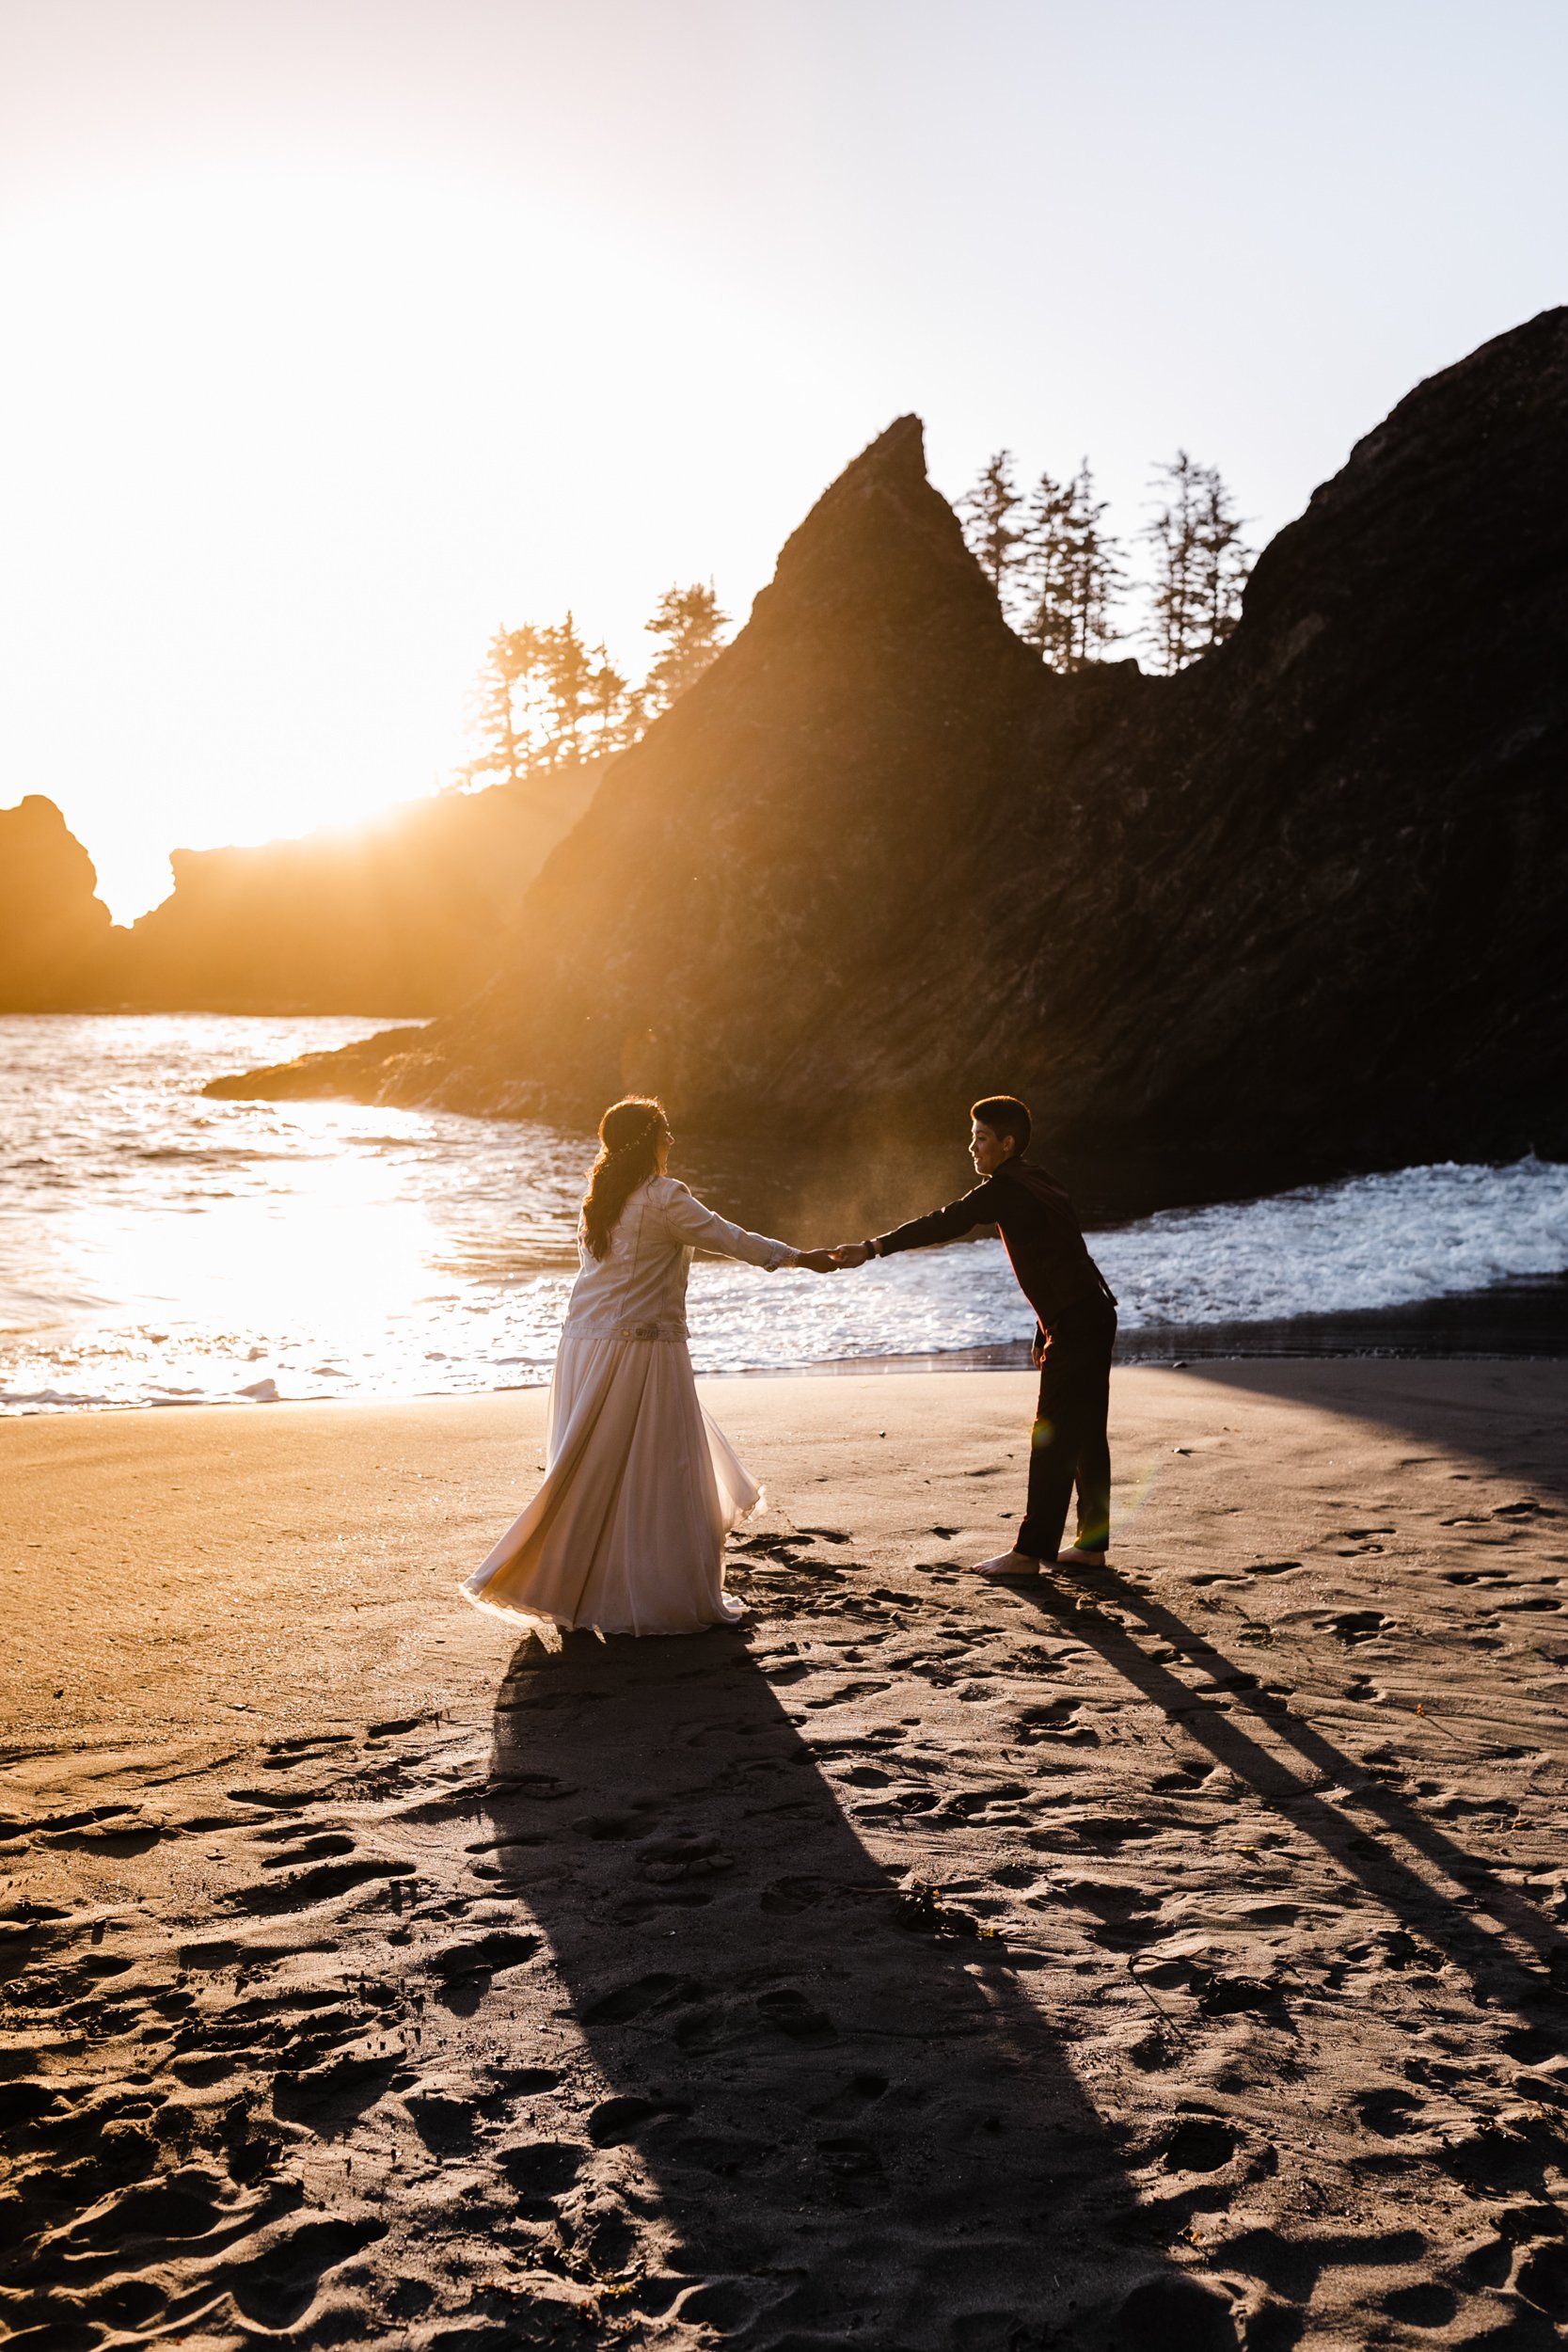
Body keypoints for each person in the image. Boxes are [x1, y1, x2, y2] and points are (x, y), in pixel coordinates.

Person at [463, 1096, 836, 1637]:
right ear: (651, 1140)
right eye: (666, 1131)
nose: (673, 1142)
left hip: (583, 1345)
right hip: (639, 1349)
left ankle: (576, 1587)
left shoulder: (600, 1197)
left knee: (593, 1472)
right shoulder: (664, 1197)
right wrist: (799, 1256)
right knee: (661, 1471)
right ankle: (643, 1592)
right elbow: (729, 1238)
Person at [832, 1095, 1116, 1580]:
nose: (972, 1147)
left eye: (981, 1138)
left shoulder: (1007, 1187)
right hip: (1090, 1313)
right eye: (972, 1137)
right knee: (1086, 1432)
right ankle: (1091, 1545)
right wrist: (1042, 1323)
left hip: (1077, 1320)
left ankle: (1029, 1553)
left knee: (1051, 1438)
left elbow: (947, 1220)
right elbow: (1068, 1251)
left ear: (1007, 1143)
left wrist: (873, 1247)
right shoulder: (1039, 1178)